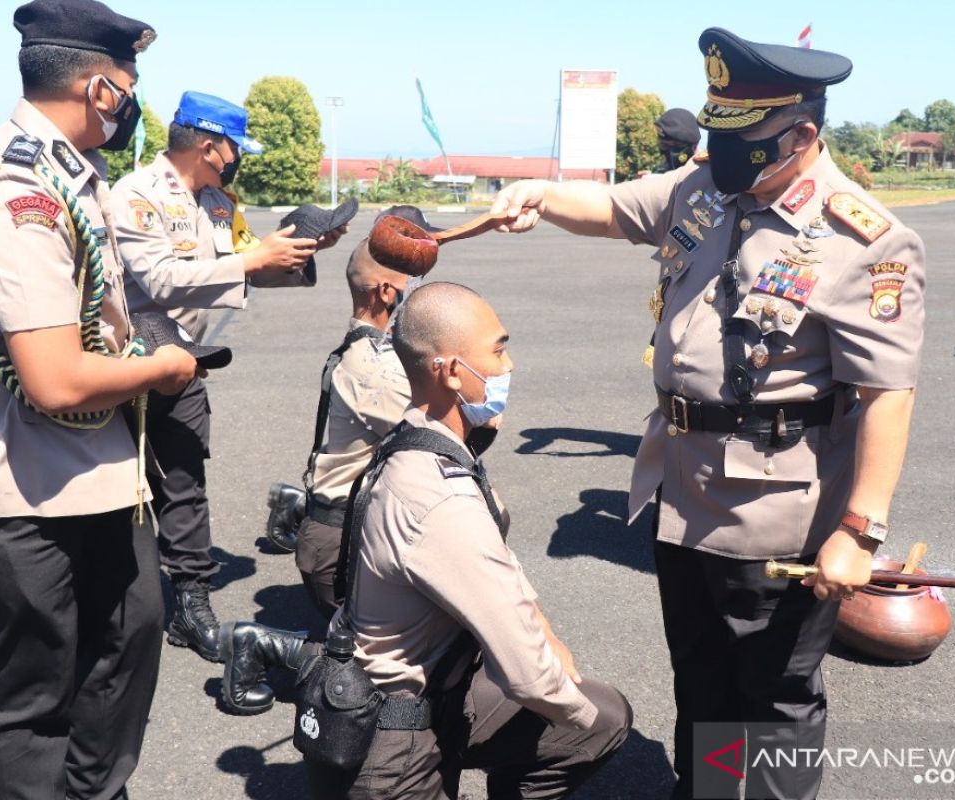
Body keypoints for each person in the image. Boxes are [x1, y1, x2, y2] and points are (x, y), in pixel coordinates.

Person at [489, 28, 926, 800]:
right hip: (683, 495)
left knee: (773, 700)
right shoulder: (706, 188)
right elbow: (614, 208)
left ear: (802, 136)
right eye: (718, 134)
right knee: (701, 679)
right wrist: (540, 195)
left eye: (745, 142)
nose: (725, 155)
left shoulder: (865, 240)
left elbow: (887, 391)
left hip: (779, 511)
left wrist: (860, 530)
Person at [0, 1, 200, 796]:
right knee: (30, 695)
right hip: (14, 483)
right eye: (131, 85)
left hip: (88, 466)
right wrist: (166, 368)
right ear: (102, 89)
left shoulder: (68, 169)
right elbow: (57, 379)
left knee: (133, 633)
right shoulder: (19, 189)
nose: (136, 102)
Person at [225, 283, 632, 799]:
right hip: (392, 742)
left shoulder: (412, 435)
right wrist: (575, 711)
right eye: (498, 349)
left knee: (604, 718)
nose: (508, 366)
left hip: (435, 691)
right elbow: (530, 677)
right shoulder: (439, 499)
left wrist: (547, 633)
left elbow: (500, 566)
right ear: (453, 370)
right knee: (591, 719)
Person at [110, 90, 340, 661]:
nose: (238, 159)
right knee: (113, 490)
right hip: (126, 364)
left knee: (185, 481)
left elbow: (250, 268)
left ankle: (190, 604)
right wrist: (251, 261)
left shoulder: (217, 202)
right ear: (211, 146)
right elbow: (161, 280)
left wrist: (299, 253)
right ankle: (110, 601)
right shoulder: (137, 196)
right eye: (235, 148)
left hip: (187, 360)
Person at [263, 233, 412, 618]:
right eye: (408, 285)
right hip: (341, 545)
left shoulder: (371, 348)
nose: (412, 293)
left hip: (343, 530)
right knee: (376, 662)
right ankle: (259, 647)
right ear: (384, 291)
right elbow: (439, 434)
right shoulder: (374, 368)